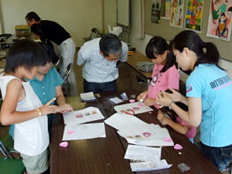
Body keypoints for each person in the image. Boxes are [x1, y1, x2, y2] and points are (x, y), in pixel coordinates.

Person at [156, 30, 232, 173]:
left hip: (216, 143)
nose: (176, 61)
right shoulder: (214, 67)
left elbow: (194, 120)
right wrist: (180, 99)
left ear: (186, 51)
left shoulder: (195, 77)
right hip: (228, 138)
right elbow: (207, 103)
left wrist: (171, 104)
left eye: (176, 55)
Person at [0, 40, 58, 174]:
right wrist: (39, 111)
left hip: (34, 139)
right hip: (32, 144)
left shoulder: (10, 77)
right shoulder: (15, 83)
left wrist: (45, 109)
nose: (38, 69)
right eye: (36, 65)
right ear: (24, 63)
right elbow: (5, 118)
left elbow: (24, 105)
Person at [25, 11, 78, 95]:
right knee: (62, 69)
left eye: (29, 23)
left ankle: (74, 94)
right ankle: (62, 91)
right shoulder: (44, 24)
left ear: (33, 20)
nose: (29, 25)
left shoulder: (42, 26)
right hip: (62, 45)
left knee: (67, 70)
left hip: (66, 44)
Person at [137, 36, 179, 108]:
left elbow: (173, 96)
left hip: (162, 109)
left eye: (155, 58)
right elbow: (154, 84)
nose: (153, 61)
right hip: (152, 105)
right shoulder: (157, 65)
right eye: (151, 59)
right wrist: (146, 93)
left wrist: (154, 101)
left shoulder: (171, 71)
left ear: (165, 53)